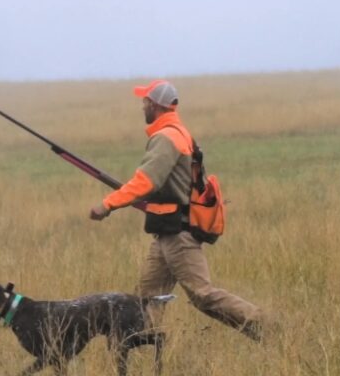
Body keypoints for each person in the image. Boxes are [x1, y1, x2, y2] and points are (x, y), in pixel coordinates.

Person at [89, 79, 264, 341]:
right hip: (166, 232)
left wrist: (107, 204)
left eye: (145, 102)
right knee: (146, 301)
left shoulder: (166, 137)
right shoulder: (177, 132)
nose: (142, 107)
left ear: (156, 105)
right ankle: (148, 351)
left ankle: (266, 325)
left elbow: (146, 181)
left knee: (202, 295)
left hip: (178, 235)